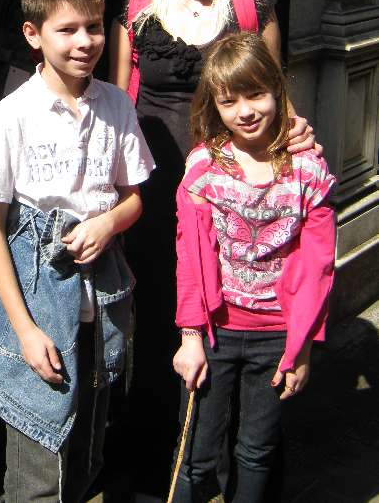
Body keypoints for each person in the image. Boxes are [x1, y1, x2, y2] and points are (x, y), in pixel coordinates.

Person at [106, 0, 317, 496]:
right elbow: (118, 106)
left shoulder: (251, 7)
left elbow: (276, 101)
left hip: (239, 206)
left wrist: (297, 138)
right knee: (163, 327)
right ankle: (170, 470)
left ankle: (240, 467)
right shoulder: (137, 10)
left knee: (234, 329)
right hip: (157, 202)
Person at [0, 0, 155, 503]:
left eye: (94, 27)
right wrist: (24, 331)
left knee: (85, 454)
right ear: (33, 34)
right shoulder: (13, 115)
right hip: (38, 310)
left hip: (101, 308)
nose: (85, 42)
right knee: (37, 471)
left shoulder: (116, 105)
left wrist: (107, 221)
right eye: (67, 29)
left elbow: (133, 197)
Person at [170, 31, 336, 502]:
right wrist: (190, 334)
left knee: (257, 452)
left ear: (277, 91)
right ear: (214, 105)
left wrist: (301, 347)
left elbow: (318, 266)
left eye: (256, 95)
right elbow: (191, 256)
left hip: (277, 336)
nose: (244, 111)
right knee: (195, 454)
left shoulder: (308, 173)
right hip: (215, 333)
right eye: (229, 101)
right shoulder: (204, 169)